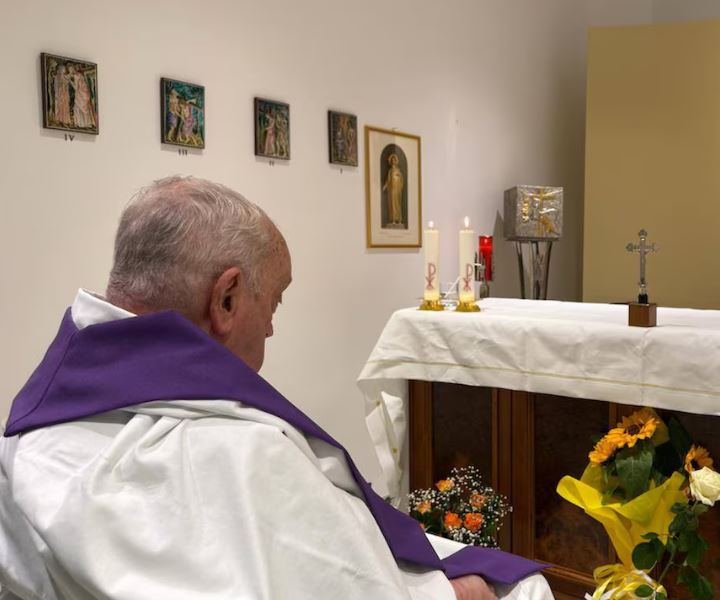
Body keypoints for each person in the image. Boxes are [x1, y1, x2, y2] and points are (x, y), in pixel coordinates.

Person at [0, 176, 550, 600]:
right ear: (228, 299)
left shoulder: (26, 441)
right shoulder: (246, 455)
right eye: (275, 301)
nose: (270, 327)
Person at [383, 153, 405, 227]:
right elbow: (388, 180)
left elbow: (401, 180)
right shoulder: (390, 171)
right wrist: (385, 186)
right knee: (392, 203)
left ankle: (399, 219)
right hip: (392, 189)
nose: (393, 161)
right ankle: (393, 219)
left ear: (396, 161)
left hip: (397, 189)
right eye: (392, 160)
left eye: (394, 160)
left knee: (397, 204)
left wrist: (399, 179)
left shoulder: (398, 170)